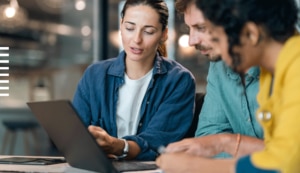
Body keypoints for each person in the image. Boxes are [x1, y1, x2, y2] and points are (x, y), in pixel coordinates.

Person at [157, 0, 300, 172]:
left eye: (218, 38)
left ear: (251, 34)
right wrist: (223, 143)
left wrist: (194, 166)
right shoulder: (272, 72)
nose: (220, 49)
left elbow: (282, 165)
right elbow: (274, 152)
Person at [72, 0, 196, 161]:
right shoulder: (94, 75)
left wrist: (117, 146)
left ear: (164, 34)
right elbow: (75, 137)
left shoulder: (179, 80)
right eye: (130, 28)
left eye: (149, 31)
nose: (136, 39)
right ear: (121, 26)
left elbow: (158, 143)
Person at [164, 0, 263, 158]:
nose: (191, 41)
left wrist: (225, 143)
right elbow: (207, 139)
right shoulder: (219, 66)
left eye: (201, 27)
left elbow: (288, 156)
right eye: (190, 28)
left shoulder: (288, 65)